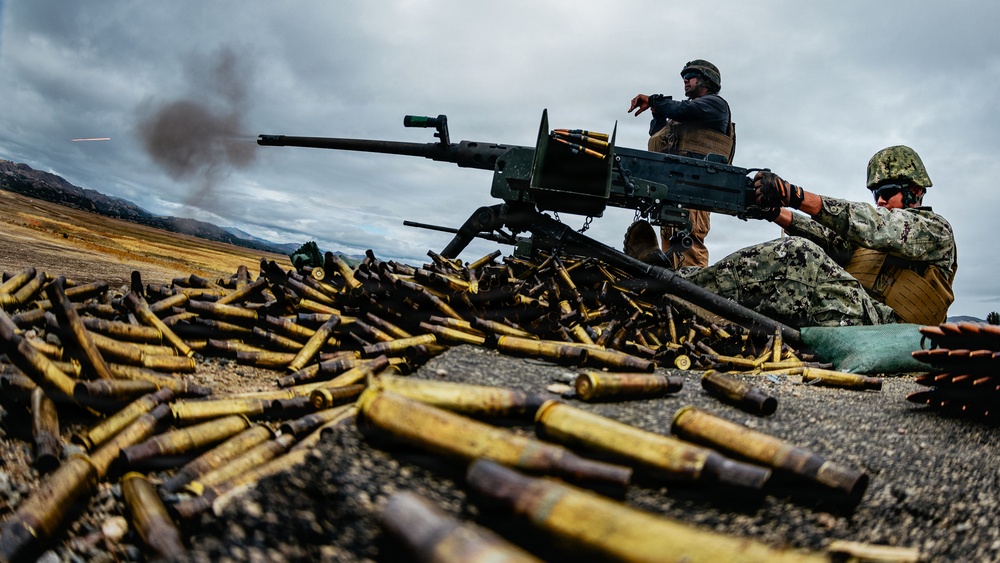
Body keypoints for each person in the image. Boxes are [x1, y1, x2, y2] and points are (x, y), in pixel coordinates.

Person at [624, 145, 958, 328]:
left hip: (887, 324)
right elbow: (833, 239)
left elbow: (873, 224)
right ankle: (678, 284)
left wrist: (795, 195)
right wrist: (775, 212)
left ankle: (667, 284)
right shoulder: (877, 237)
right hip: (859, 309)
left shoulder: (934, 231)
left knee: (799, 256)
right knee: (799, 251)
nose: (880, 201)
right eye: (876, 194)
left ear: (915, 192)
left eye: (887, 192)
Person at [626, 59, 735, 268]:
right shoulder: (686, 116)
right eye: (684, 77)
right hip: (674, 189)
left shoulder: (715, 104)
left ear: (707, 81)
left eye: (690, 77)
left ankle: (694, 287)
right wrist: (658, 114)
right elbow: (658, 134)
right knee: (669, 250)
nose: (685, 81)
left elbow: (681, 109)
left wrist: (655, 100)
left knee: (689, 246)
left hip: (696, 191)